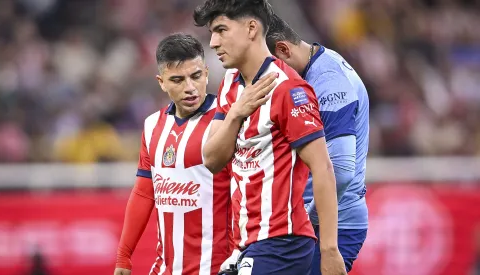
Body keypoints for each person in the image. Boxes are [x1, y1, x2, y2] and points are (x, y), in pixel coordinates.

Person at [193, 1, 346, 274]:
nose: (213, 43)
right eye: (211, 33)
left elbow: (323, 167)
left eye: (221, 30)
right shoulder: (230, 83)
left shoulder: (289, 89)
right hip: (245, 245)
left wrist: (330, 251)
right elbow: (211, 158)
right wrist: (237, 112)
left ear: (251, 28)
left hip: (282, 241)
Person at [114, 33, 234, 275]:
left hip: (217, 267)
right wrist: (123, 256)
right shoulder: (151, 126)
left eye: (196, 76)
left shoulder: (228, 121)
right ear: (161, 82)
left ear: (207, 72)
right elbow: (143, 193)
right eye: (177, 80)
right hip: (165, 268)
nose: (190, 88)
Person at [265, 14, 369, 274]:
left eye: (269, 69)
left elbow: (341, 172)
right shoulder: (320, 62)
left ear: (283, 50)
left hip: (330, 224)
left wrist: (308, 220)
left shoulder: (329, 83)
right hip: (317, 221)